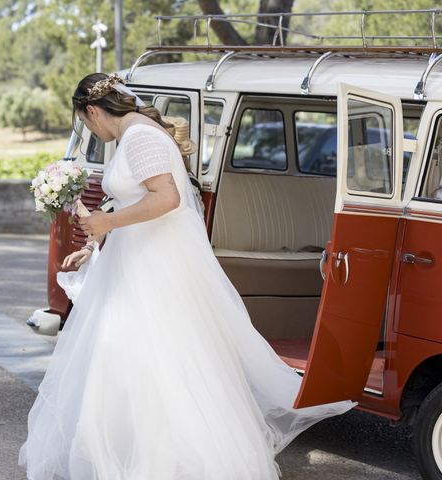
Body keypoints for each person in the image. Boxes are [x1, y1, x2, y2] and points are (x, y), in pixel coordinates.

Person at [18, 72, 354, 479]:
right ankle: (130, 452)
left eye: (86, 122)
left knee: (156, 359)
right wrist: (93, 246)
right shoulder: (130, 135)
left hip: (154, 267)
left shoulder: (141, 137)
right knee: (125, 359)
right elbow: (133, 201)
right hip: (131, 261)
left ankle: (168, 462)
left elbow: (167, 198)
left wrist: (107, 223)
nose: (90, 129)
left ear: (93, 111)